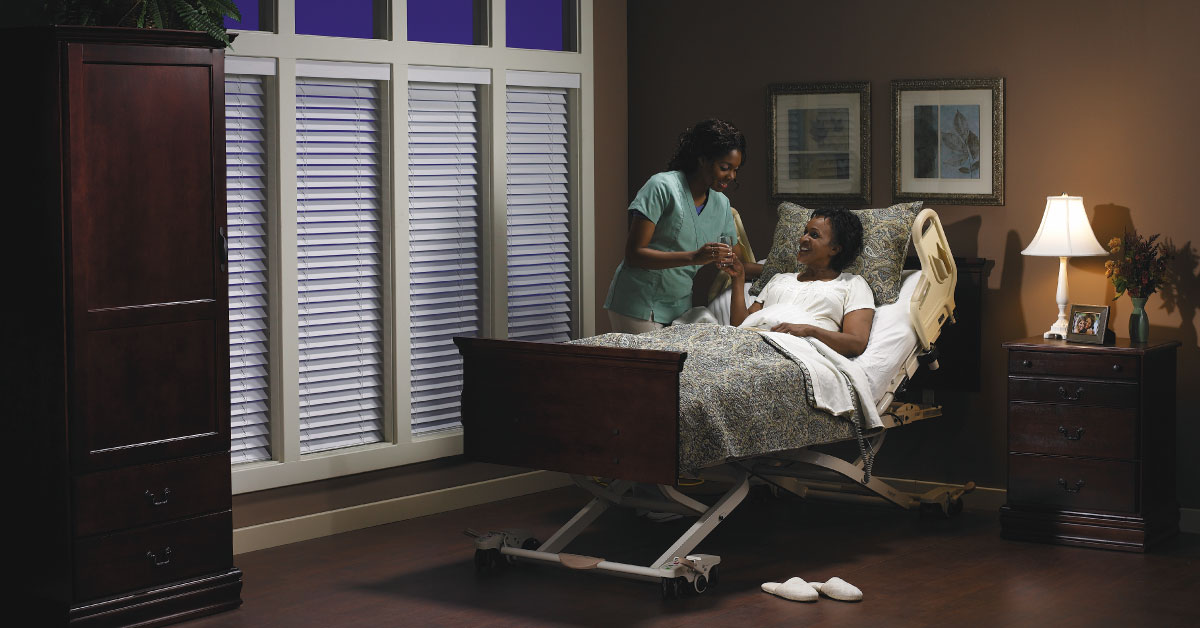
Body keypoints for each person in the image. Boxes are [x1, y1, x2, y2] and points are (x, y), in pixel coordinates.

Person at [604, 119, 745, 333]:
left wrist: (773, 271)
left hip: (680, 307)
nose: (731, 177)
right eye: (725, 168)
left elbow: (736, 258)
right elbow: (634, 255)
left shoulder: (722, 204)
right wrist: (694, 258)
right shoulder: (662, 187)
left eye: (736, 170)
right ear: (702, 159)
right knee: (650, 367)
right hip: (639, 304)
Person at [725, 207, 874, 358]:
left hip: (795, 353)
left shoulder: (852, 284)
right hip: (748, 343)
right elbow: (740, 326)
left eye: (814, 235)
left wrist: (810, 331)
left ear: (834, 248)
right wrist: (738, 278)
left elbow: (856, 343)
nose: (803, 239)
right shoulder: (780, 279)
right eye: (805, 232)